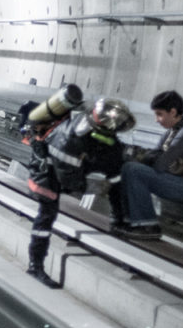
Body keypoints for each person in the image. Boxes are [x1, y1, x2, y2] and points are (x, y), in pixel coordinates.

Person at [24, 94, 133, 285]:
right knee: (47, 214)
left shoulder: (98, 133)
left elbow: (111, 159)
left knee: (118, 175)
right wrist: (94, 187)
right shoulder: (69, 138)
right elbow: (69, 180)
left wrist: (116, 168)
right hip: (48, 173)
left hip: (77, 164)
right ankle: (35, 266)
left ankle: (119, 219)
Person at [113, 90, 183, 240]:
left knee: (132, 169)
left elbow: (160, 164)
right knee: (128, 168)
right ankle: (130, 221)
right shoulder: (172, 131)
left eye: (159, 114)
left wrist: (141, 159)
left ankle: (148, 226)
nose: (156, 120)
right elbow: (155, 156)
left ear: (173, 112)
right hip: (182, 183)